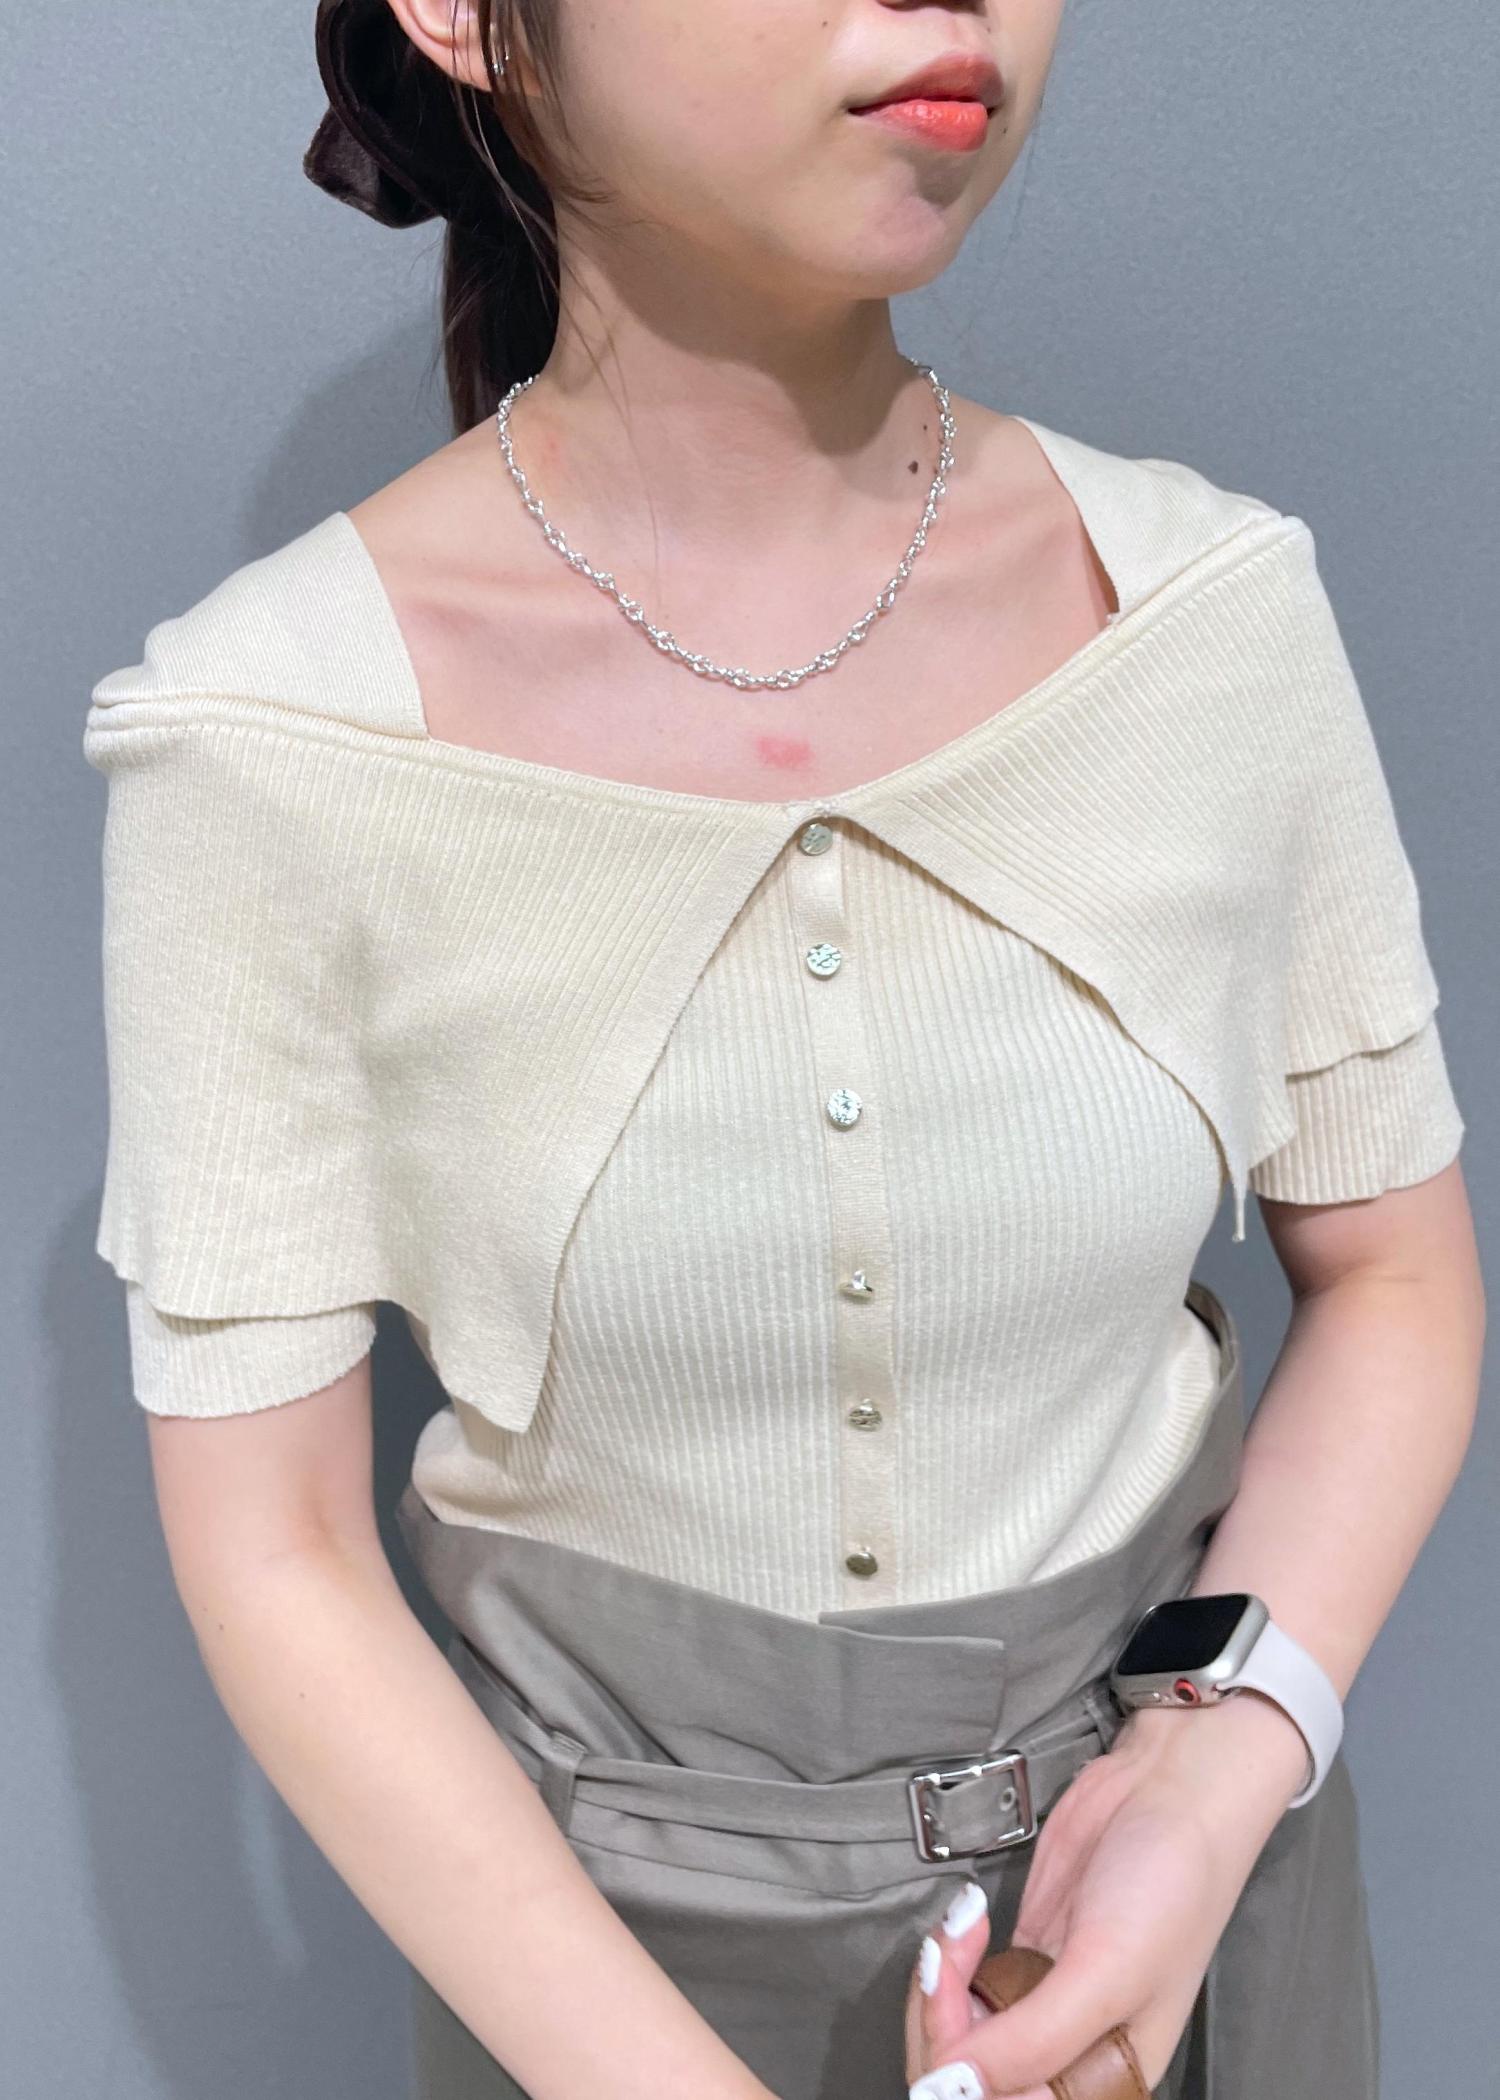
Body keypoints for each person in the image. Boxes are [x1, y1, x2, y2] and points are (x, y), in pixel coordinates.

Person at [83, 3, 1485, 2098]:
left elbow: (1397, 1277)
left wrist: (1213, 1776)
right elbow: (273, 1547)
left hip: (1186, 1933)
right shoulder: (268, 740)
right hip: (604, 1996)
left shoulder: (1211, 609)